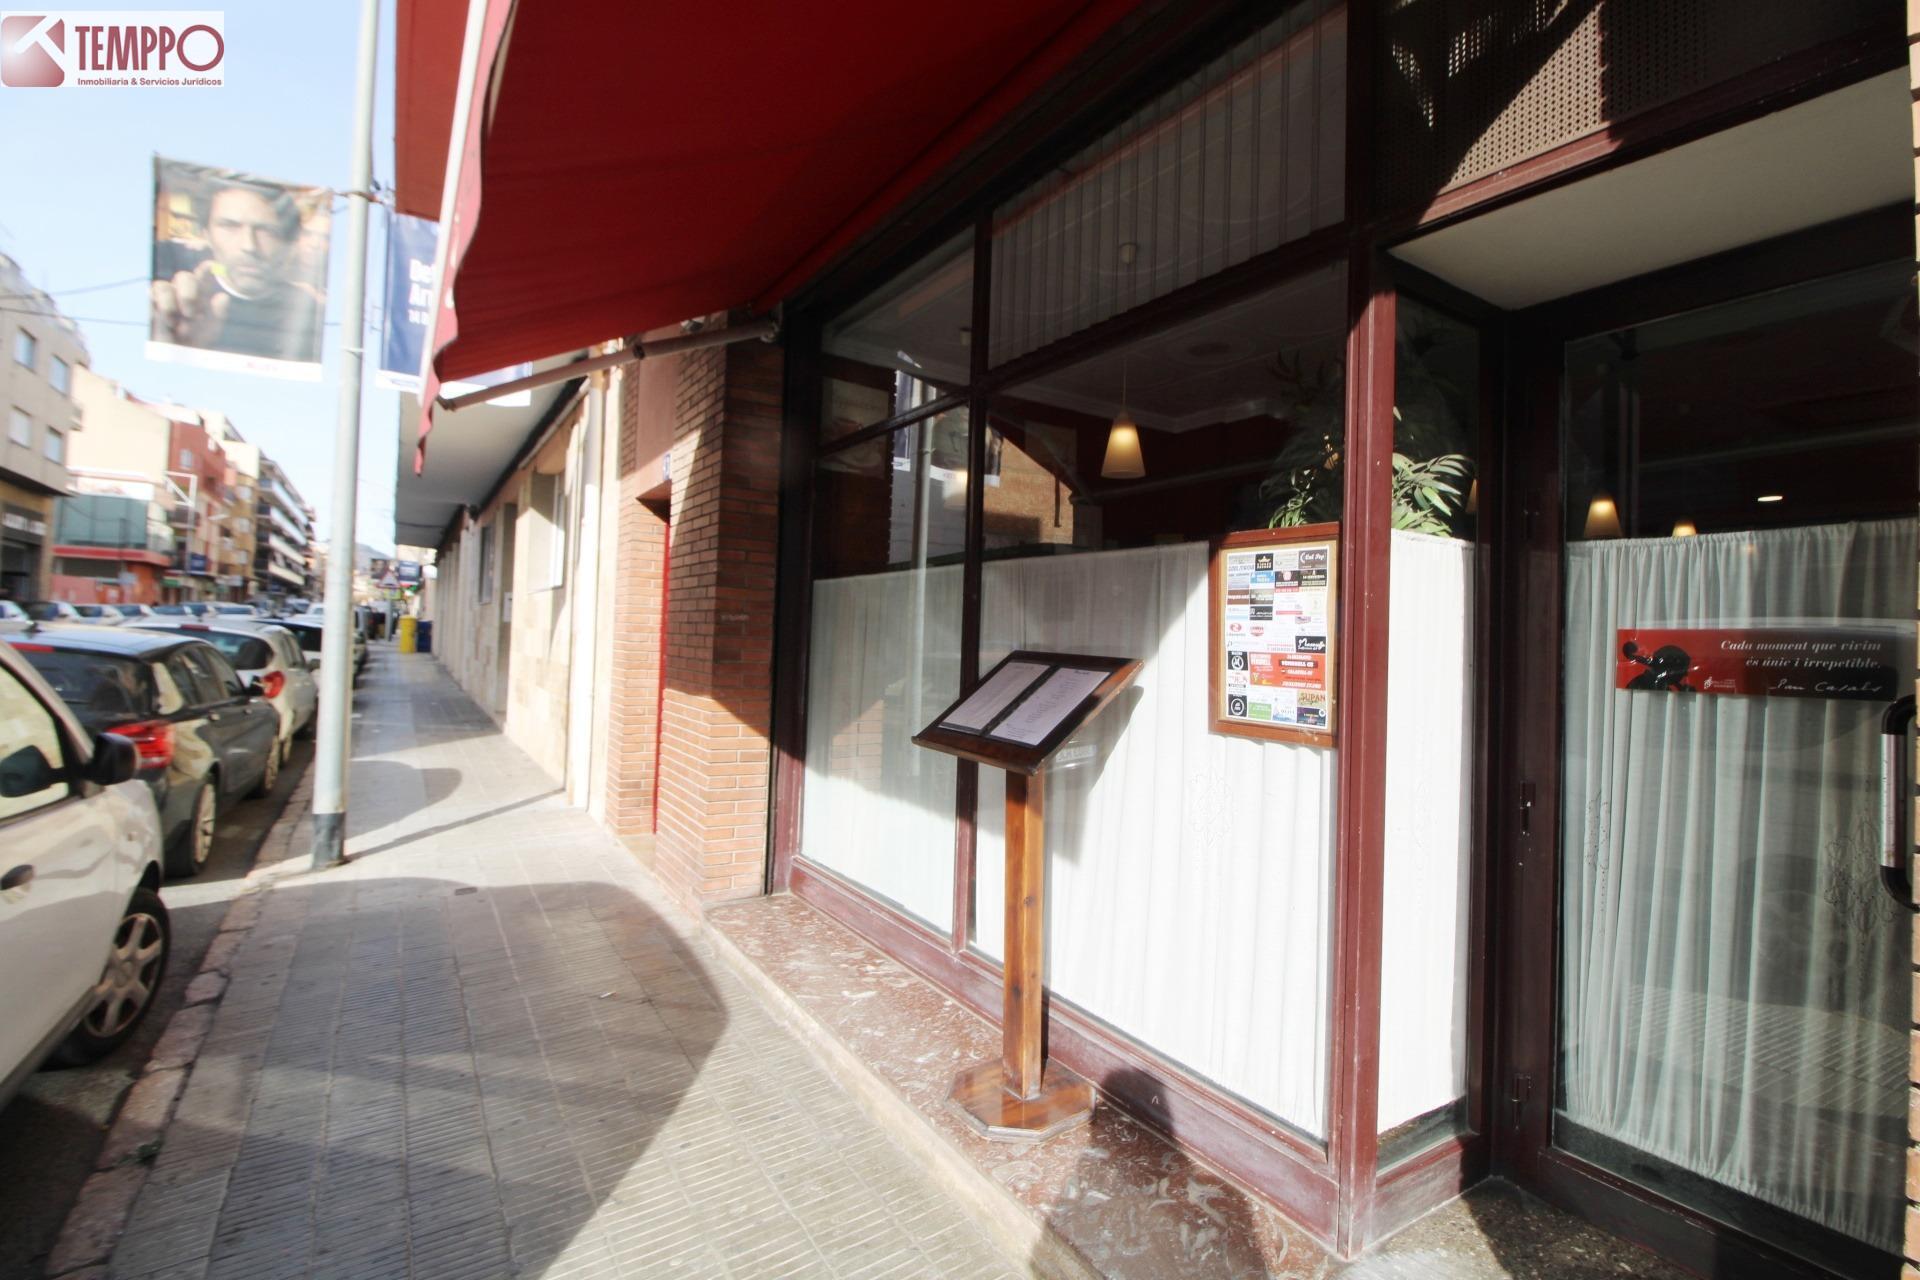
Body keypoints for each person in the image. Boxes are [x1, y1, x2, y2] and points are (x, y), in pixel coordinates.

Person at [150, 177, 322, 362]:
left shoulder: (312, 313)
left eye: (266, 231)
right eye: (230, 226)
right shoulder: (181, 303)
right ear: (206, 235)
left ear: (288, 244)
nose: (249, 245)